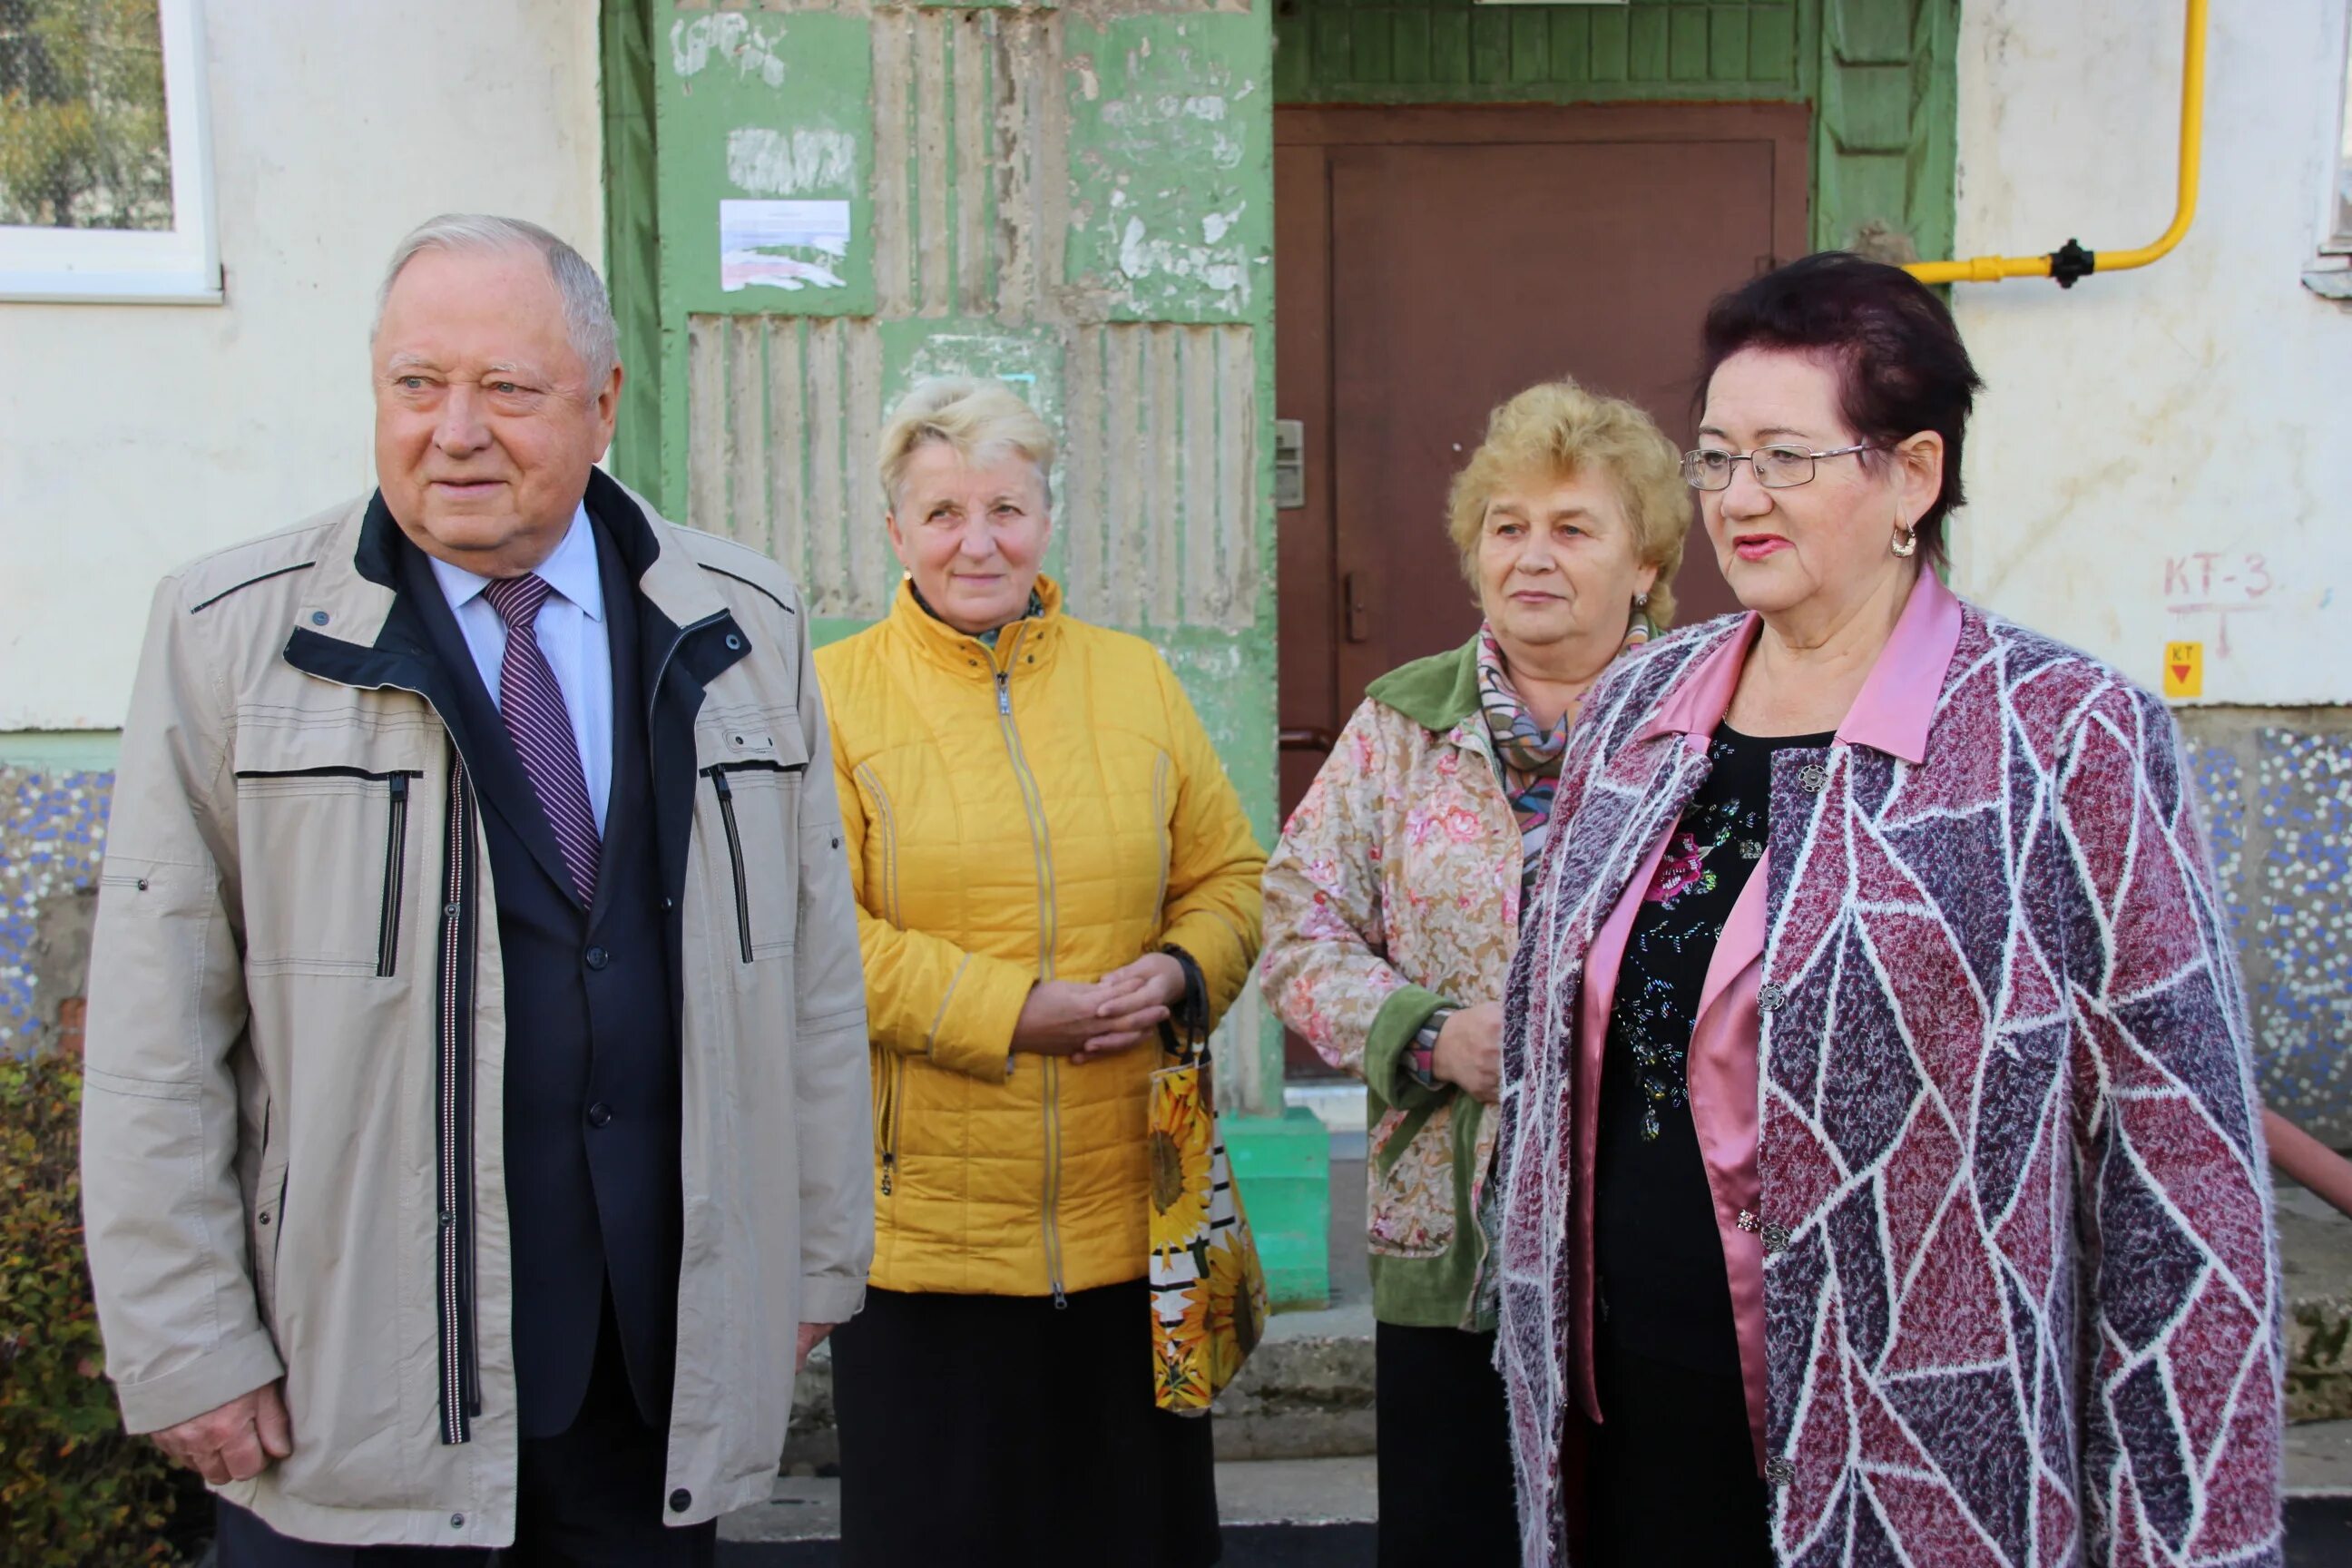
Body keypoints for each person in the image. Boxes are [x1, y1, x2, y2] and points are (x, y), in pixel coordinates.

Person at [79, 214, 873, 1563]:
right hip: (353, 1397)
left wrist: (810, 1262)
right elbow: (155, 1031)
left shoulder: (747, 620)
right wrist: (186, 1340)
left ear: (603, 402)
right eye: (415, 384)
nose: (455, 431)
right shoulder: (231, 636)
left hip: (650, 1391)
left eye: (507, 388)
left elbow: (808, 976)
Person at [1492, 251, 2282, 1565]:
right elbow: (1552, 1073)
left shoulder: (2062, 737)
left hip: (1915, 1465)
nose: (1740, 498)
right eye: (1718, 456)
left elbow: (2182, 1176)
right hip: (1627, 1427)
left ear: (1911, 475)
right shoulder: (1636, 711)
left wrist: (2185, 1531)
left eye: (1787, 459)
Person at [816, 377, 1266, 1568]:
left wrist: (1178, 971)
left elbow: (1231, 880)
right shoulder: (830, 698)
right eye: (944, 512)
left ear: (1047, 517)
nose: (979, 541)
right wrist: (1011, 1012)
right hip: (926, 1253)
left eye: (1008, 507)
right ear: (895, 530)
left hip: (1134, 1230)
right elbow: (815, 940)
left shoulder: (1136, 682)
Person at [1259, 379, 1687, 1565]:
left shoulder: (1713, 731)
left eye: (1572, 528)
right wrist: (1429, 1033)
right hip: (1451, 1244)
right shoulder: (1402, 729)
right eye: (1508, 527)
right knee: (1457, 1535)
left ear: (1645, 564)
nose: (1532, 557)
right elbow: (1295, 926)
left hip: (1658, 1240)